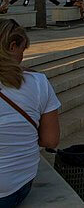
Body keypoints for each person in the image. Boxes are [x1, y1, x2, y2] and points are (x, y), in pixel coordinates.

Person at [0, 19, 61, 206]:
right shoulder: (38, 82)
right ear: (12, 47)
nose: (23, 57)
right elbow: (50, 140)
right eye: (23, 50)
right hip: (15, 187)